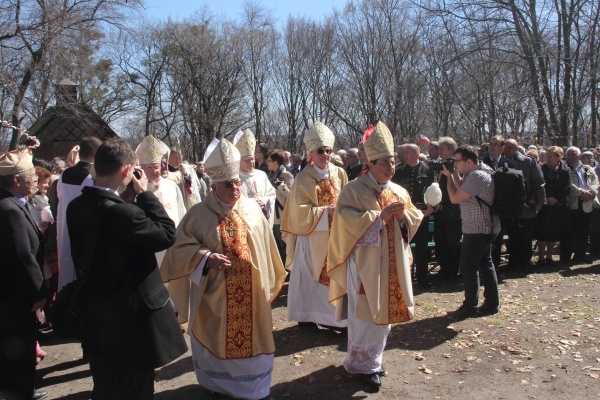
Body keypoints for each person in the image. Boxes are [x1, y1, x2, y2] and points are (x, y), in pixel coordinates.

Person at [161, 138, 287, 399]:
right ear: (214, 186)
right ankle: (219, 384)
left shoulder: (252, 210)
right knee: (217, 339)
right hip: (215, 296)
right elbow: (179, 250)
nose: (235, 189)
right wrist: (206, 259)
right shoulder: (198, 215)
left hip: (252, 296)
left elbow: (267, 249)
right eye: (228, 184)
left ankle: (254, 389)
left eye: (237, 183)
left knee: (254, 341)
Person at [67, 138, 187, 399]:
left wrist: (126, 198)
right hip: (130, 323)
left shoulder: (76, 206)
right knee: (135, 389)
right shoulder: (124, 214)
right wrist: (144, 194)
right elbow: (167, 234)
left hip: (98, 317)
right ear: (126, 171)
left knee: (107, 385)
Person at [327, 121, 423, 390]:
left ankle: (374, 359)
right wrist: (379, 217)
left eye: (392, 162)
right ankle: (363, 365)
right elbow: (345, 221)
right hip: (365, 267)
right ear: (370, 164)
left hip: (392, 265)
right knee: (366, 316)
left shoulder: (398, 190)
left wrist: (404, 217)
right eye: (384, 163)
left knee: (385, 316)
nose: (390, 167)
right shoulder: (354, 190)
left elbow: (413, 216)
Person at [280, 121, 348, 331]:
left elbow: (347, 200)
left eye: (328, 150)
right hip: (310, 236)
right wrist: (324, 212)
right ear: (311, 152)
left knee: (335, 274)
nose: (325, 154)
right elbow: (297, 212)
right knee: (310, 279)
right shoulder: (303, 178)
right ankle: (307, 316)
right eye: (320, 151)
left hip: (335, 235)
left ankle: (335, 319)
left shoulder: (340, 174)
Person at [0, 147, 49, 400]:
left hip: (15, 296)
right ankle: (20, 393)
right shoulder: (9, 210)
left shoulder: (14, 204)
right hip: (18, 298)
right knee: (19, 346)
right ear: (16, 180)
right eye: (31, 175)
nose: (36, 179)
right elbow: (23, 256)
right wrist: (39, 292)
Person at [443, 145, 500, 317]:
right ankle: (491, 303)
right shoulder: (479, 172)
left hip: (478, 228)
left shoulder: (477, 176)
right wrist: (453, 174)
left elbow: (455, 197)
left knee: (468, 266)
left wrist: (448, 178)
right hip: (484, 226)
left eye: (457, 161)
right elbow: (463, 189)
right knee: (485, 264)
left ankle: (470, 305)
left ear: (469, 161)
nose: (455, 164)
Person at [56, 136, 102, 291]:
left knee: (66, 272)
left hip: (63, 228)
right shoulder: (93, 178)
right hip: (84, 228)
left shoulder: (63, 175)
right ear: (97, 154)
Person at [392, 143, 435, 287]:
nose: (404, 155)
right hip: (404, 214)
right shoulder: (398, 171)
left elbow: (435, 191)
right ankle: (404, 278)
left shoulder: (428, 169)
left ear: (416, 154)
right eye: (403, 153)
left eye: (407, 153)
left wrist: (432, 208)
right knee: (404, 246)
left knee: (422, 248)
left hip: (422, 213)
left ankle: (423, 278)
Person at [503, 139, 546, 271]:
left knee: (526, 235)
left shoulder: (528, 162)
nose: (507, 150)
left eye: (510, 147)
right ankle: (513, 261)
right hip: (509, 206)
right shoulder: (501, 161)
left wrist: (540, 201)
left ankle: (525, 262)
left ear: (516, 149)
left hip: (526, 205)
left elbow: (538, 182)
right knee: (511, 235)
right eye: (506, 147)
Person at [482, 135, 516, 269]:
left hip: (503, 209)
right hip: (485, 207)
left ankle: (495, 267)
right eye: (491, 144)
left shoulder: (510, 164)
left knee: (499, 239)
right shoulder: (482, 164)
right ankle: (485, 267)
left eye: (496, 144)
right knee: (486, 240)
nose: (492, 146)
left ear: (502, 148)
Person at [533, 146, 571, 265]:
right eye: (547, 156)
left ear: (558, 157)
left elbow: (567, 186)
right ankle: (541, 257)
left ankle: (549, 257)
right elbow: (541, 184)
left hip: (558, 205)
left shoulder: (565, 169)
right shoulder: (542, 168)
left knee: (553, 231)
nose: (548, 158)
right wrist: (548, 197)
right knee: (542, 231)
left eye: (551, 156)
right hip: (545, 204)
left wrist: (557, 199)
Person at [562, 147, 599, 263]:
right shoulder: (565, 169)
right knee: (570, 231)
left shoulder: (587, 168)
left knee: (584, 230)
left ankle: (580, 255)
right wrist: (582, 193)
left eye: (573, 154)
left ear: (580, 155)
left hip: (587, 202)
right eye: (569, 155)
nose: (571, 157)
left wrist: (591, 192)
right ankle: (566, 256)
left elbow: (595, 182)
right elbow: (568, 185)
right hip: (573, 202)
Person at [432, 137, 462, 281]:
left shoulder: (457, 165)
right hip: (440, 211)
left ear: (451, 149)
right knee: (440, 242)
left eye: (442, 148)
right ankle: (444, 269)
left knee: (453, 243)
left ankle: (453, 271)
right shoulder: (440, 164)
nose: (440, 152)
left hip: (454, 212)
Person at [234, 129, 276, 226]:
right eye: (247, 160)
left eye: (252, 159)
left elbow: (272, 194)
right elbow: (235, 203)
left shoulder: (261, 175)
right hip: (248, 224)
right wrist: (253, 204)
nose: (251, 162)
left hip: (263, 220)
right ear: (239, 161)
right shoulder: (235, 179)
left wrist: (264, 202)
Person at [267, 149, 294, 263]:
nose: (267, 163)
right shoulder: (271, 175)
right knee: (277, 244)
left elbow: (292, 195)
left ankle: (288, 270)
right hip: (273, 214)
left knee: (284, 245)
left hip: (283, 215)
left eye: (269, 161)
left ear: (275, 163)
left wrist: (280, 185)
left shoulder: (286, 175)